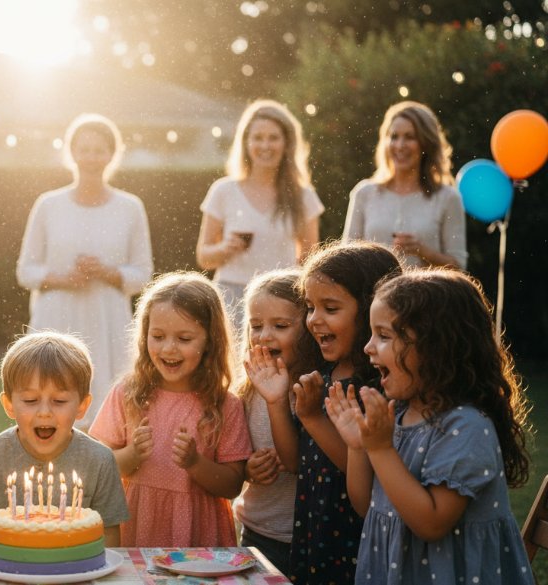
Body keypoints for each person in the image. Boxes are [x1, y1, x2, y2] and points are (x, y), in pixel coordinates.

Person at [327, 269, 534, 583]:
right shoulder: (397, 415)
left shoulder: (466, 426)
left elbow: (432, 523)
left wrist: (380, 448)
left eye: (384, 335)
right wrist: (359, 446)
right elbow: (364, 505)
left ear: (435, 347)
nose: (368, 347)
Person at [260, 241, 402, 583]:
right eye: (310, 307)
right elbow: (295, 463)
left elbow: (361, 469)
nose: (313, 320)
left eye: (330, 308)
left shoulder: (378, 387)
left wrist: (312, 418)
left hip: (352, 536)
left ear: (370, 308)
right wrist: (278, 402)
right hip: (315, 532)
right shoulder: (321, 375)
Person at [89, 271, 251, 547]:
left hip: (198, 534)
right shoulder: (128, 394)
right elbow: (102, 468)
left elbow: (232, 485)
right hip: (137, 525)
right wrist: (132, 454)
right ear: (144, 336)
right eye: (158, 336)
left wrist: (194, 463)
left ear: (210, 341)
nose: (169, 348)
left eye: (184, 339)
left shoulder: (225, 405)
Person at [16, 113, 153, 428]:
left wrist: (106, 272)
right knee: (49, 394)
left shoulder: (130, 207)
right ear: (71, 153)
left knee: (108, 407)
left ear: (112, 154)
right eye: (84, 149)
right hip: (57, 316)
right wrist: (64, 279)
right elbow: (26, 270)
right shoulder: (48, 205)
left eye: (99, 150)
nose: (91, 157)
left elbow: (143, 273)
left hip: (107, 320)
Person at [0, 331, 129, 548]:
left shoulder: (100, 460)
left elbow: (109, 535)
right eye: (30, 400)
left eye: (59, 400)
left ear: (83, 406)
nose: (44, 412)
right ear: (9, 404)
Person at [196, 99, 324, 328]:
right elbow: (204, 257)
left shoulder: (304, 196)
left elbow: (308, 262)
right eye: (258, 138)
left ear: (287, 143)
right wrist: (225, 248)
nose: (265, 145)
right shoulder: (223, 191)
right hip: (230, 296)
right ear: (246, 143)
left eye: (273, 138)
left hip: (281, 300)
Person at [233, 269, 321, 575]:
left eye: (280, 325)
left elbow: (295, 461)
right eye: (256, 326)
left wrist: (277, 401)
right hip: (257, 532)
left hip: (307, 535)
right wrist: (247, 468)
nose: (265, 335)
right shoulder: (246, 392)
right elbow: (235, 455)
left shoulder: (314, 389)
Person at [343, 101, 467, 269]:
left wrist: (424, 252)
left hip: (426, 295)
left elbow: (459, 267)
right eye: (394, 137)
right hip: (372, 295)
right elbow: (346, 259)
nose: (400, 146)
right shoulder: (364, 193)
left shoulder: (448, 197)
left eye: (410, 137)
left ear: (426, 143)